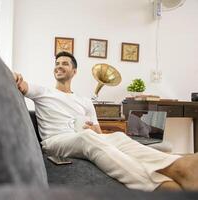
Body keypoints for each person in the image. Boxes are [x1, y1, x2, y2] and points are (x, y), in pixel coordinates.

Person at [13, 51, 198, 191]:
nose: (59, 66)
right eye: (57, 63)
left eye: (65, 63)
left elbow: (99, 134)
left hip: (84, 137)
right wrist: (15, 77)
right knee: (87, 138)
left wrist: (94, 129)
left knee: (118, 136)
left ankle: (177, 166)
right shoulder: (43, 91)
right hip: (55, 141)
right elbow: (21, 84)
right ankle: (158, 185)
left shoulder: (85, 101)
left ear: (74, 71)